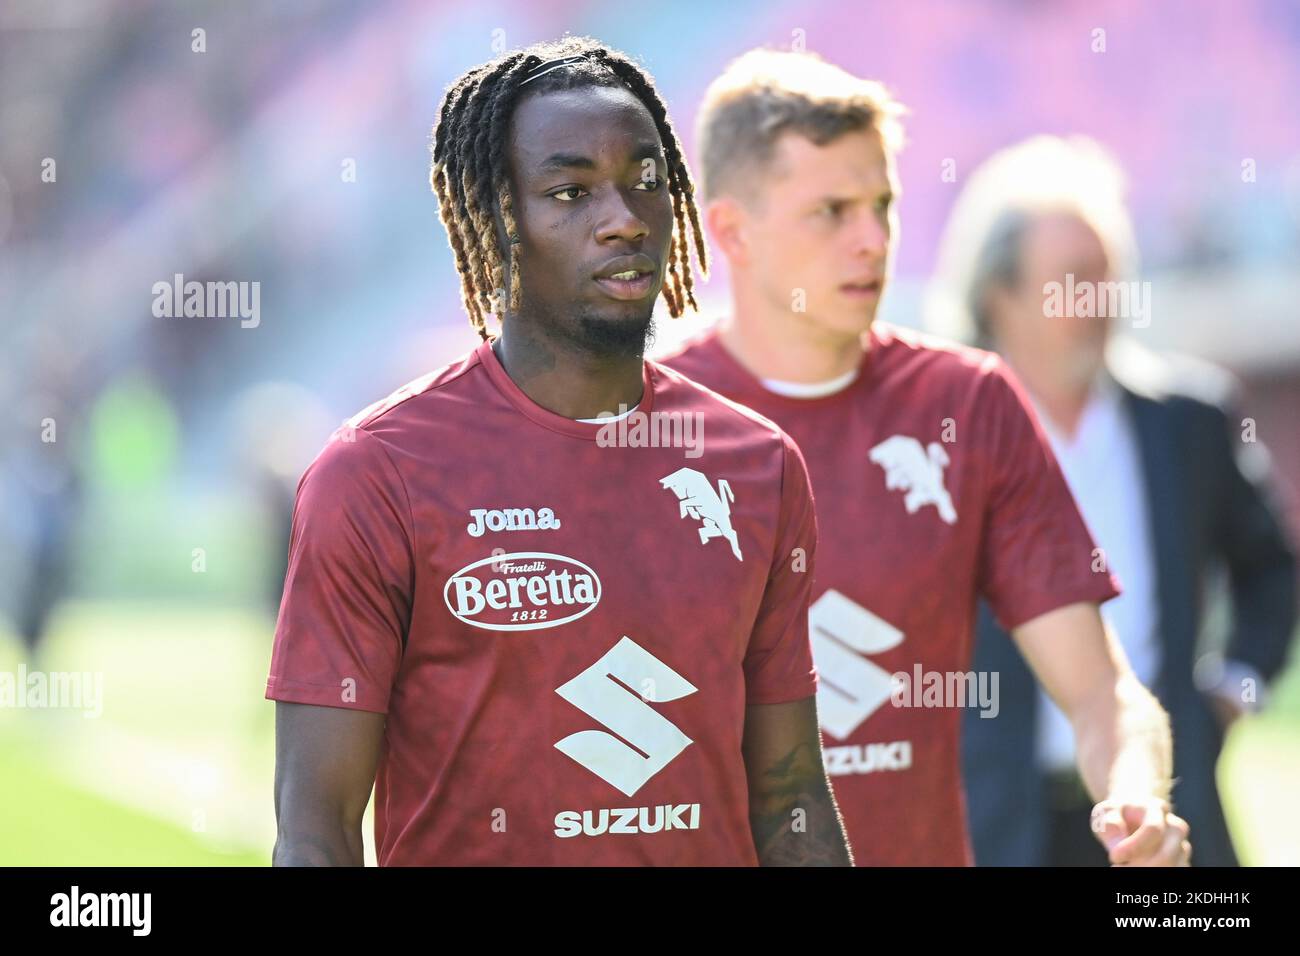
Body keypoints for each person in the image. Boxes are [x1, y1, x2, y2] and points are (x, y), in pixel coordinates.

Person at [266, 37, 851, 866]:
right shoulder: (375, 475)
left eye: (645, 180)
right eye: (570, 191)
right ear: (498, 218)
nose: (622, 218)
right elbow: (316, 831)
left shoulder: (756, 465)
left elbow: (791, 798)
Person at [661, 48, 1189, 865]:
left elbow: (1104, 694)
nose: (873, 241)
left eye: (883, 204)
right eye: (831, 211)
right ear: (731, 230)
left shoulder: (968, 405)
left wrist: (1135, 794)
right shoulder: (637, 418)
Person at [929, 134, 1299, 866]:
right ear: (998, 294)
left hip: (1166, 815)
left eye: (1108, 277)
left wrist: (1234, 689)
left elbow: (1271, 567)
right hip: (994, 824)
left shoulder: (1187, 419)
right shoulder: (931, 435)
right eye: (1072, 280)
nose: (1098, 303)